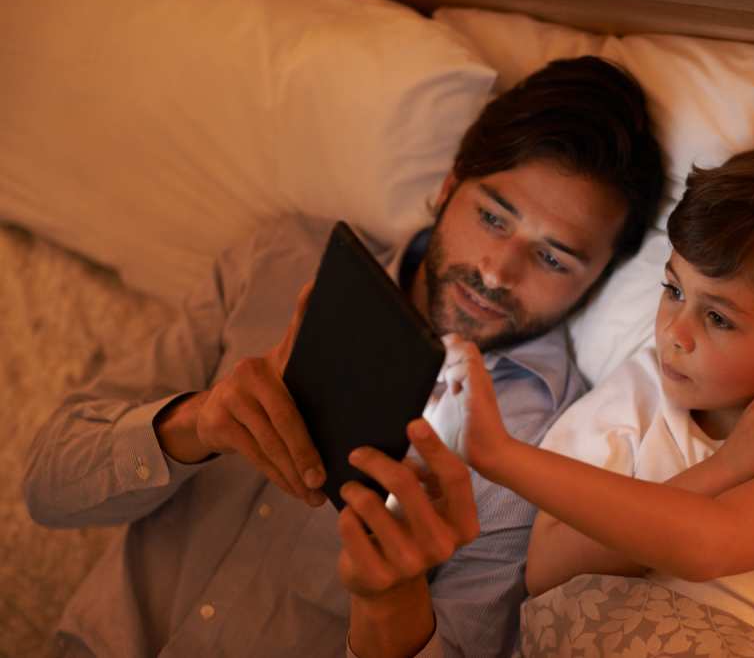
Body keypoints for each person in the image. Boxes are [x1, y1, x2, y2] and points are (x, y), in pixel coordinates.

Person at [21, 56, 665, 658]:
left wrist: (391, 602)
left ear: (599, 280)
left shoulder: (553, 445)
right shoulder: (280, 264)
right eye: (493, 217)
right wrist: (192, 425)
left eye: (553, 257)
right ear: (446, 190)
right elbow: (48, 490)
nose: (497, 271)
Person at [435, 132, 754, 657]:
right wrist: (724, 468)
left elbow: (710, 545)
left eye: (719, 318)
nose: (675, 330)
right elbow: (545, 569)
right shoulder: (637, 391)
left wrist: (502, 457)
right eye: (674, 290)